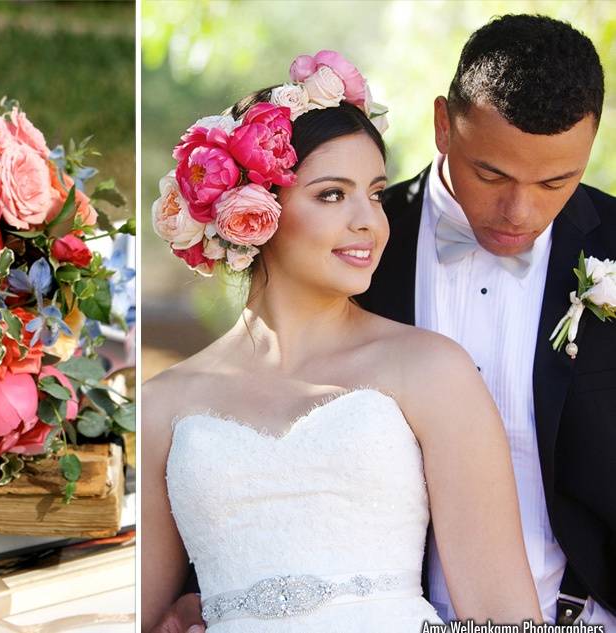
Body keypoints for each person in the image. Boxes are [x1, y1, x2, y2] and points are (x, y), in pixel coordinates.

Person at [148, 15, 616, 632]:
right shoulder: (368, 250)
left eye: (556, 180)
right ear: (443, 125)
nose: (520, 211)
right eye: (492, 174)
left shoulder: (427, 357)